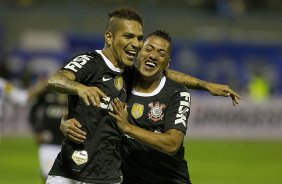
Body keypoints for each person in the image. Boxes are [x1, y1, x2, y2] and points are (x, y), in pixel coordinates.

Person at [46, 7, 240, 184]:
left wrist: (205, 85)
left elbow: (162, 72)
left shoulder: (129, 73)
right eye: (129, 36)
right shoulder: (90, 62)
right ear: (109, 37)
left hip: (107, 176)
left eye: (139, 38)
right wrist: (79, 91)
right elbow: (56, 79)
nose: (136, 43)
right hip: (67, 171)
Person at [63, 30, 193, 183]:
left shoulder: (176, 93)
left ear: (167, 63)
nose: (153, 55)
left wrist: (127, 128)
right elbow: (90, 109)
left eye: (161, 53)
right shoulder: (121, 81)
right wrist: (65, 121)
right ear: (138, 53)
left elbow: (172, 144)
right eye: (148, 49)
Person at [29, 88, 68, 182]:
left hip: (69, 141)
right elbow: (33, 111)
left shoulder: (77, 92)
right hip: (48, 141)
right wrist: (37, 131)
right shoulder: (47, 92)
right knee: (48, 175)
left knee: (70, 178)